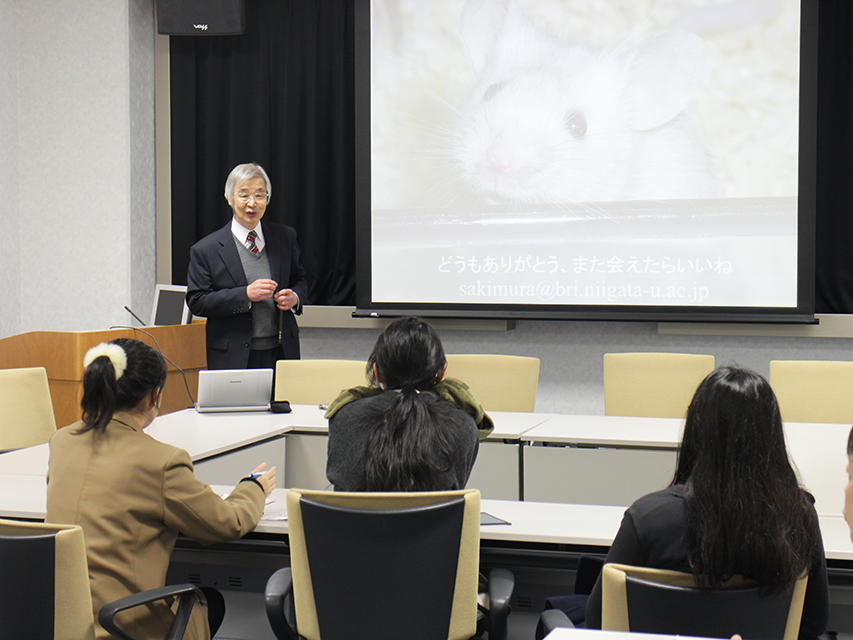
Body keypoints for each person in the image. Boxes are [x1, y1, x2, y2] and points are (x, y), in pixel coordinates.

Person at [46, 338, 276, 640]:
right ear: (154, 395)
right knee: (210, 602)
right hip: (119, 626)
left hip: (57, 621)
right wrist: (253, 488)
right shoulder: (161, 461)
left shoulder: (62, 441)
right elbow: (226, 523)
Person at [583, 366, 829, 639]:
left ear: (695, 431)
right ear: (771, 436)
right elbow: (812, 622)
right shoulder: (798, 516)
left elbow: (599, 622)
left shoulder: (649, 519)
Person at [324, 316, 493, 491]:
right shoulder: (463, 426)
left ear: (377, 372)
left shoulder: (345, 418)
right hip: (435, 520)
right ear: (441, 373)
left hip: (354, 519)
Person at [186, 162, 308, 370]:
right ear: (229, 198)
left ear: (267, 199)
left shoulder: (285, 237)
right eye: (244, 195)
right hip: (233, 355)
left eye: (260, 195)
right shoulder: (206, 249)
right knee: (239, 405)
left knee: (283, 403)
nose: (252, 203)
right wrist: (245, 295)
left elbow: (301, 280)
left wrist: (295, 297)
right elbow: (197, 301)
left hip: (282, 351)